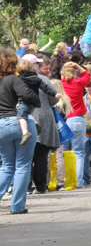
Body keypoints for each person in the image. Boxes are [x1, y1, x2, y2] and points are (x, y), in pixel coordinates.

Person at [0, 48, 40, 214]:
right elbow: (28, 96)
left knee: (6, 166)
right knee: (23, 165)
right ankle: (17, 206)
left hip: (1, 124)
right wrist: (35, 100)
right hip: (19, 122)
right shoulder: (14, 79)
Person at [30, 56, 60, 194]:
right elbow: (54, 99)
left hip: (24, 119)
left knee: (26, 157)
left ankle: (25, 186)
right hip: (43, 117)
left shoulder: (16, 80)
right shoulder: (44, 80)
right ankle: (41, 187)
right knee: (41, 155)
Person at [15, 55, 59, 146]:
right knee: (42, 157)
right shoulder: (41, 79)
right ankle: (34, 123)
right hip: (43, 119)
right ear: (30, 65)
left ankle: (27, 130)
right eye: (36, 64)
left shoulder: (16, 79)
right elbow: (54, 99)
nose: (38, 66)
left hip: (20, 123)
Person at [60, 61, 91, 187]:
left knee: (64, 151)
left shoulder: (61, 85)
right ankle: (78, 182)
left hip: (64, 120)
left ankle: (64, 181)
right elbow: (87, 75)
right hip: (77, 119)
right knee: (78, 152)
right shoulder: (78, 83)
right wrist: (77, 65)